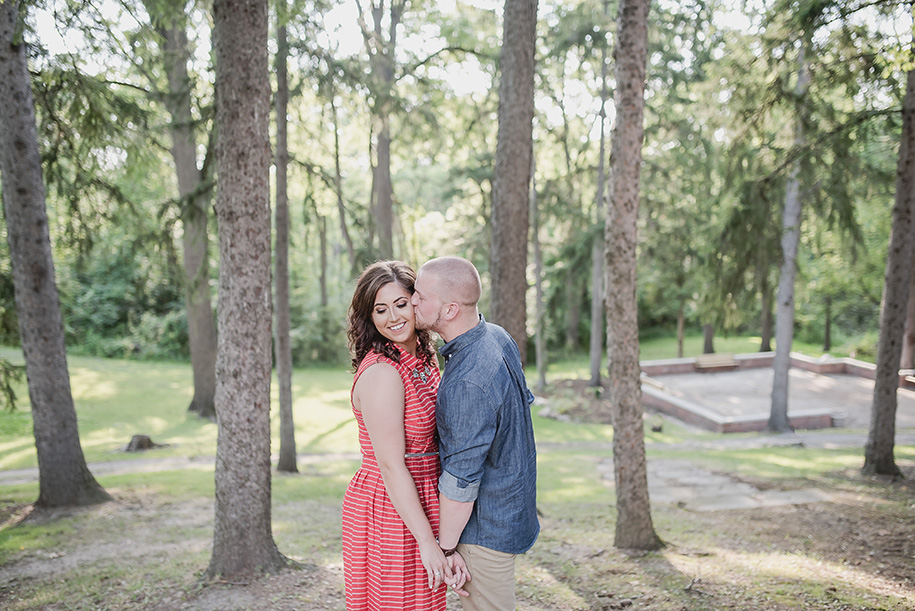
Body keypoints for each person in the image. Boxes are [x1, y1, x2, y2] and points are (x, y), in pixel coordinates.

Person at [411, 256, 540, 611]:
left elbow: (461, 480)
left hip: (484, 531)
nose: (413, 301)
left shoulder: (469, 379)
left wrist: (446, 546)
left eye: (421, 295)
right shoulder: (496, 336)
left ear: (450, 309)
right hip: (508, 513)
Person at [342, 260, 454, 611]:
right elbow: (391, 466)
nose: (393, 317)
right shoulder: (382, 373)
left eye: (400, 304)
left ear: (416, 302)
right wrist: (426, 541)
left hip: (425, 494)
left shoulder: (422, 356)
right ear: (369, 317)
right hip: (392, 504)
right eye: (380, 309)